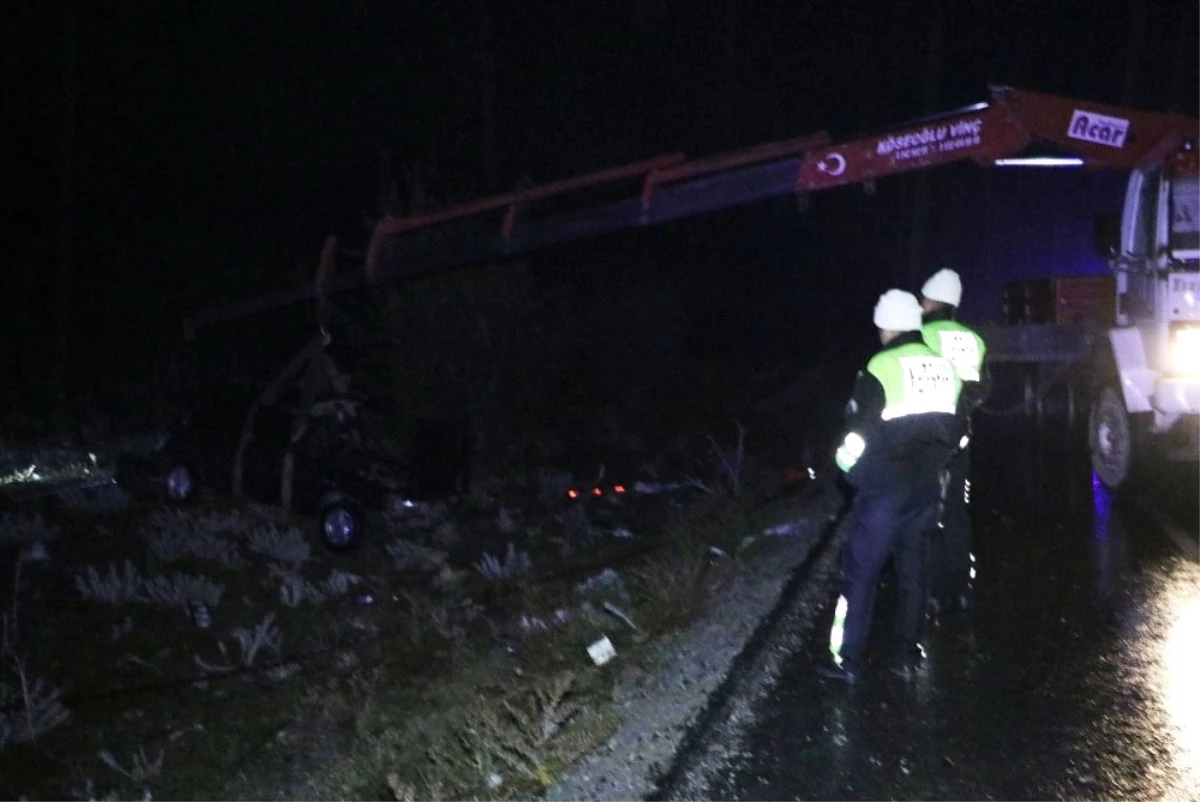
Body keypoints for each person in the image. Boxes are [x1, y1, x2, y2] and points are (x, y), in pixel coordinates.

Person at [816, 289, 963, 684]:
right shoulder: (944, 366)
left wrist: (847, 473)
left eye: (880, 325)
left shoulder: (880, 366)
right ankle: (906, 653)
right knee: (914, 572)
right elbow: (955, 430)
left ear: (888, 325)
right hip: (927, 488)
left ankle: (846, 661)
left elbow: (857, 435)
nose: (878, 332)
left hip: (883, 492)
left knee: (859, 574)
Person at [919, 268, 990, 618]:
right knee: (957, 512)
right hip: (961, 437)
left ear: (933, 301)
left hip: (926, 441)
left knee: (927, 512)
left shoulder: (919, 335)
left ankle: (931, 594)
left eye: (924, 297)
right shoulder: (973, 340)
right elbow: (982, 388)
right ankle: (961, 590)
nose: (920, 303)